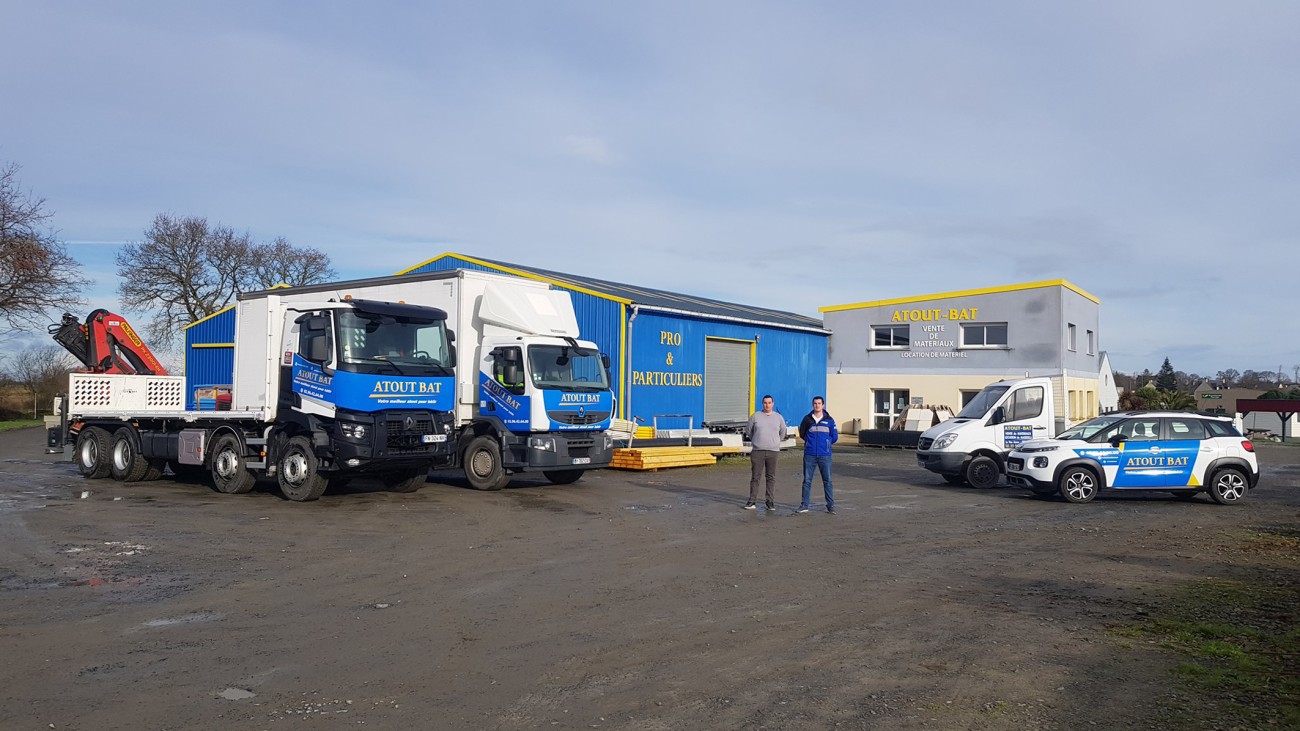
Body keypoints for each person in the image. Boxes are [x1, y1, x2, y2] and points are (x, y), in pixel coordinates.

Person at [743, 395, 787, 512]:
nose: (767, 405)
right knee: (755, 477)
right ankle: (752, 500)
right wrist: (757, 441)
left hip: (773, 451)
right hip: (758, 451)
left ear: (773, 403)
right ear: (762, 404)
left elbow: (783, 432)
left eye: (769, 403)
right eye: (765, 403)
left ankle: (769, 501)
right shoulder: (755, 417)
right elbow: (749, 431)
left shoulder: (778, 418)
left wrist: (775, 442)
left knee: (771, 477)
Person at [796, 396, 839, 514]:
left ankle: (830, 506)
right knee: (807, 481)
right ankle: (804, 505)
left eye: (819, 403)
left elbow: (834, 437)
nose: (817, 405)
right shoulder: (807, 419)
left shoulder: (829, 420)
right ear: (812, 405)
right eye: (815, 403)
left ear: (823, 405)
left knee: (828, 480)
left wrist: (826, 444)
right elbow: (802, 434)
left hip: (825, 455)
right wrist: (810, 444)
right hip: (810, 455)